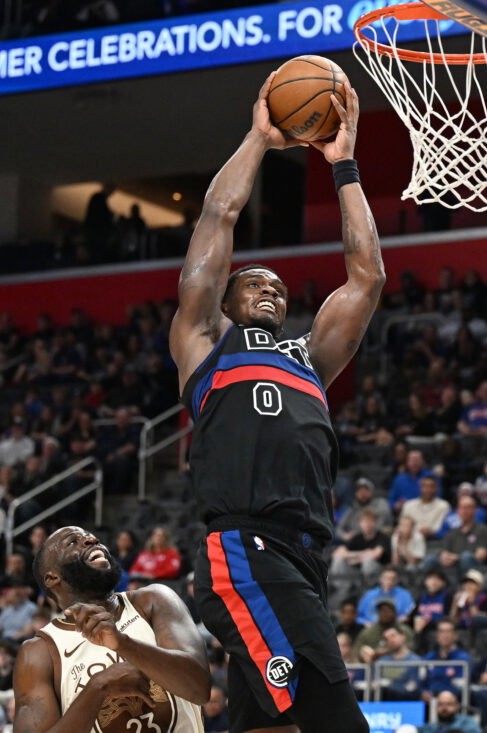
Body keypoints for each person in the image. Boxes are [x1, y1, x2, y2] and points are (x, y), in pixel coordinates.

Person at [171, 80, 379, 733]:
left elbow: (367, 277)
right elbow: (218, 217)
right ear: (226, 299)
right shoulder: (206, 342)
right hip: (246, 549)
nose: (270, 290)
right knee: (336, 718)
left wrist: (344, 165)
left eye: (280, 288)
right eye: (255, 283)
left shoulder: (309, 357)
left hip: (304, 559)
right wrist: (260, 139)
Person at [13, 526, 208, 732]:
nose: (91, 541)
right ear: (52, 577)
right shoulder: (40, 652)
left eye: (93, 538)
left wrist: (123, 643)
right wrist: (99, 687)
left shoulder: (154, 600)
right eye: (72, 542)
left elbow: (199, 688)